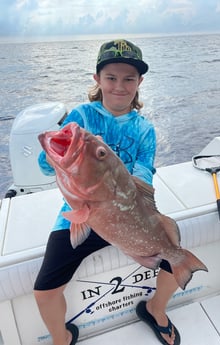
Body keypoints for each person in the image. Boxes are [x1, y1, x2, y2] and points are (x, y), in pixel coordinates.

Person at [34, 39, 181, 345]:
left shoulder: (144, 129)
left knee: (176, 260)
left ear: (139, 82)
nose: (119, 86)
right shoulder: (82, 117)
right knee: (44, 290)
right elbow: (46, 166)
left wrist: (120, 196)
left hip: (129, 216)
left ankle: (156, 309)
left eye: (129, 79)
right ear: (97, 80)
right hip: (81, 215)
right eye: (111, 77)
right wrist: (50, 156)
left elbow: (143, 174)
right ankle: (61, 337)